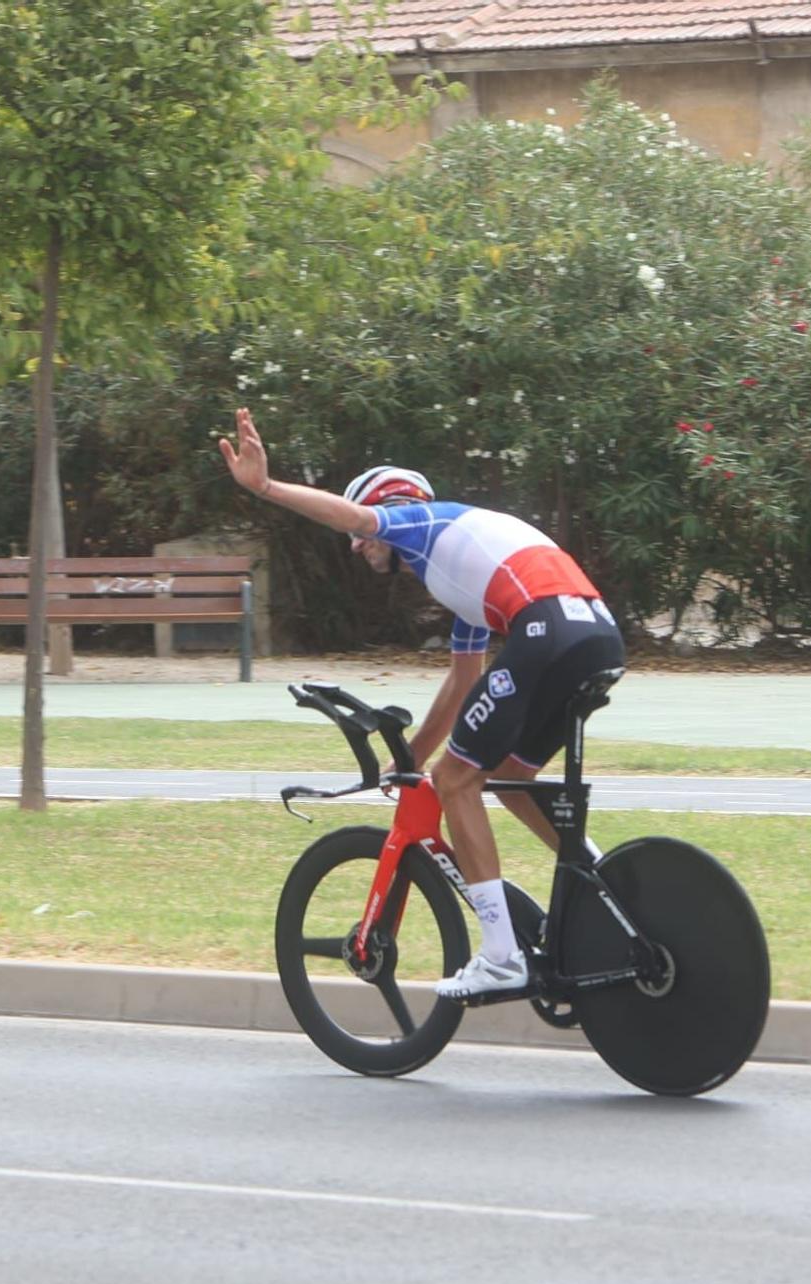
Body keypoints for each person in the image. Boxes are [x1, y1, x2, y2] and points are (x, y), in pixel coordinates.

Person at [218, 407, 625, 998]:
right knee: (510, 776)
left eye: (361, 536)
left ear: (389, 508)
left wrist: (266, 487)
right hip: (597, 634)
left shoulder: (420, 522)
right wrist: (406, 759)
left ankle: (502, 955)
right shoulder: (461, 572)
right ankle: (608, 881)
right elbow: (465, 681)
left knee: (458, 782)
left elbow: (353, 515)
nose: (357, 546)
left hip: (547, 627)